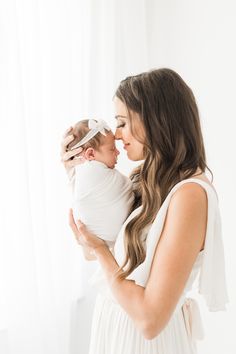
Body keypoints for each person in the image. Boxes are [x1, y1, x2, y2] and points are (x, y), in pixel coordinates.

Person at [61, 68, 229, 354]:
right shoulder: (143, 179)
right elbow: (93, 251)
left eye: (123, 122)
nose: (115, 134)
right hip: (114, 327)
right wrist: (78, 175)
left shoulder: (189, 195)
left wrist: (100, 251)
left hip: (145, 341)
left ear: (156, 121)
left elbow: (150, 320)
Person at [64, 118, 134, 259]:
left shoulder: (83, 173)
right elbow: (89, 255)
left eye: (123, 123)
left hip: (104, 246)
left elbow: (90, 254)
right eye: (112, 148)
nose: (117, 152)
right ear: (90, 154)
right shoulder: (88, 172)